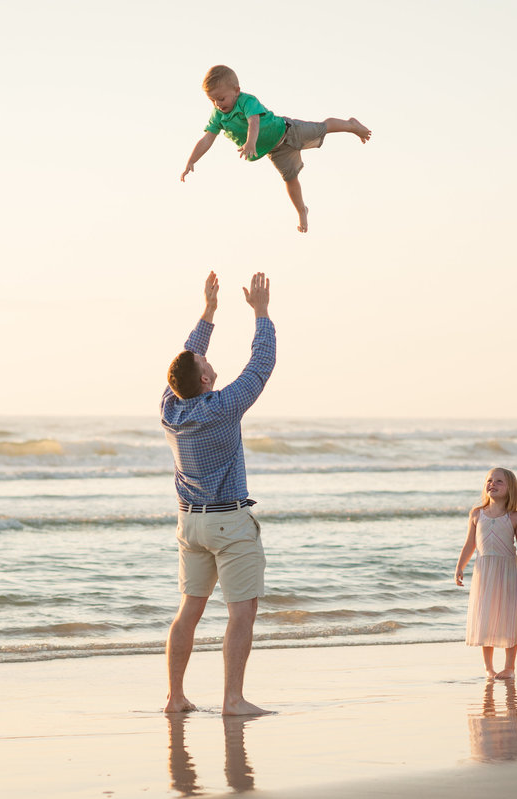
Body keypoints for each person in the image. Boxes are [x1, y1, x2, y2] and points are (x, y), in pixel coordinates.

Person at [161, 271, 276, 716]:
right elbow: (260, 365)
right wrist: (261, 313)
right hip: (228, 522)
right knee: (241, 613)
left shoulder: (169, 407)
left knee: (189, 610)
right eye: (205, 364)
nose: (209, 362)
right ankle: (233, 700)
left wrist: (208, 313)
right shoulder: (221, 408)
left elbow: (188, 359)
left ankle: (175, 697)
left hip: (190, 523)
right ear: (204, 380)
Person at [180, 65, 371, 233]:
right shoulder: (218, 116)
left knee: (323, 128)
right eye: (212, 101)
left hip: (289, 131)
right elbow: (207, 139)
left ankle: (350, 125)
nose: (218, 104)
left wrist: (250, 143)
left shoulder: (247, 101)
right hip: (277, 151)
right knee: (290, 179)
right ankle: (302, 211)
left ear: (236, 90)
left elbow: (253, 121)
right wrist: (191, 160)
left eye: (221, 98)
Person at [454, 468, 517, 679]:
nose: (492, 484)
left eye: (498, 481)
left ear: (510, 488)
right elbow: (470, 544)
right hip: (484, 572)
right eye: (489, 480)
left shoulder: (514, 517)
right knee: (485, 616)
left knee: (508, 616)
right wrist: (460, 566)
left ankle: (509, 667)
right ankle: (488, 667)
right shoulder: (477, 513)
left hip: (508, 572)